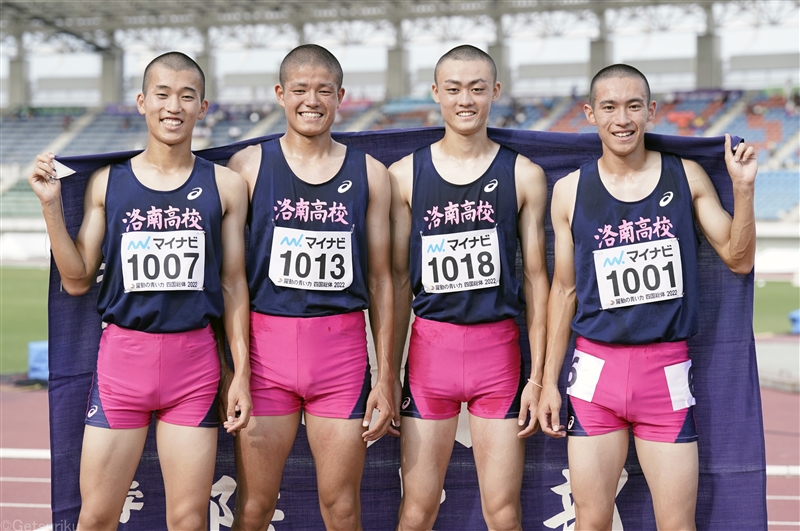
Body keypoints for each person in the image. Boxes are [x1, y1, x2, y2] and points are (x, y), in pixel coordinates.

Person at [28, 52, 252, 530]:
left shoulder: (227, 186)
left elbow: (234, 285)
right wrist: (51, 207)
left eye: (187, 96)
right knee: (96, 519)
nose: (174, 106)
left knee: (189, 520)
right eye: (163, 94)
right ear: (141, 102)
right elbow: (77, 279)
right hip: (121, 367)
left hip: (193, 368)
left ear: (203, 107)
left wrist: (241, 372)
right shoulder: (109, 184)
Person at [536, 64, 757, 531]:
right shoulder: (569, 192)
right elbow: (563, 291)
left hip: (665, 378)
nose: (623, 118)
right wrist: (547, 381)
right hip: (595, 376)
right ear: (590, 113)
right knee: (591, 523)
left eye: (634, 106)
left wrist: (742, 189)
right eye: (610, 107)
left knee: (678, 526)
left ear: (651, 111)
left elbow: (737, 259)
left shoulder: (687, 177)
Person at [227, 44, 395, 531]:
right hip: (265, 357)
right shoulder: (248, 168)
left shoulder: (370, 175)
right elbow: (230, 279)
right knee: (255, 507)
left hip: (339, 358)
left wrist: (385, 374)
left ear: (341, 96)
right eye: (299, 89)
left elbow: (383, 280)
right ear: (281, 94)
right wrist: (234, 369)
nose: (311, 100)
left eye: (323, 90)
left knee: (341, 507)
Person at [389, 45, 550, 530]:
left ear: (494, 93)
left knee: (502, 512)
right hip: (429, 354)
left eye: (477, 89)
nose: (466, 99)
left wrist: (538, 377)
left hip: (497, 356)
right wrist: (387, 375)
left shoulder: (525, 176)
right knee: (417, 509)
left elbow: (538, 281)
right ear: (436, 93)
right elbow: (395, 283)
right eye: (454, 88)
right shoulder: (404, 177)